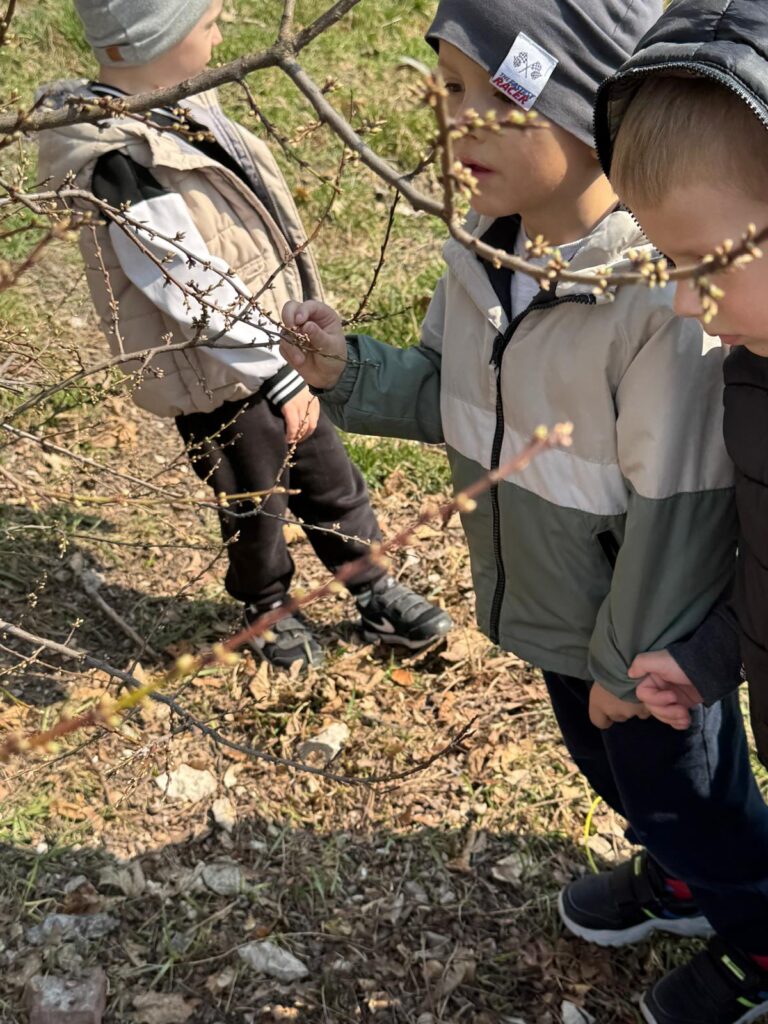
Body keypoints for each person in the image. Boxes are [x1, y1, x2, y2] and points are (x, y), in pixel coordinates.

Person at [279, 0, 768, 1018]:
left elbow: (680, 511)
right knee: (624, 782)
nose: (454, 122)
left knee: (694, 798)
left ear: (582, 105)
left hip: (645, 652)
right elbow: (459, 392)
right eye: (446, 90)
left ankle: (755, 933)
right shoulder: (483, 260)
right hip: (554, 607)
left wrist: (626, 665)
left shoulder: (657, 294)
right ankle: (678, 878)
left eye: (489, 94)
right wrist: (349, 371)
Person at [35, 0, 452, 670]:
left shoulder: (183, 110)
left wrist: (290, 350)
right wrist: (279, 374)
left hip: (276, 352)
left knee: (331, 477)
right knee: (256, 501)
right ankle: (266, 607)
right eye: (207, 21)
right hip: (217, 380)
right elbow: (187, 287)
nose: (224, 25)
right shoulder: (120, 160)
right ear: (150, 41)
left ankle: (372, 588)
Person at [589, 1, 768, 1020]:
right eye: (673, 268)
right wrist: (706, 658)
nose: (688, 306)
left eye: (710, 265)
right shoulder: (754, 371)